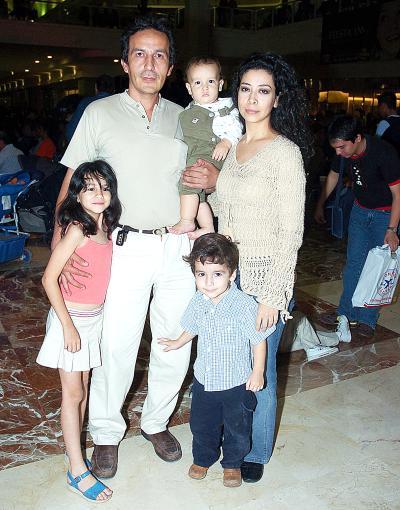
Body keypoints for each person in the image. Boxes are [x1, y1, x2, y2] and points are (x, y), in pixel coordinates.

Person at [53, 15, 195, 479]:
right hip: (123, 243)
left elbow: (206, 181)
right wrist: (63, 250)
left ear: (171, 67)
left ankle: (156, 421)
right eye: (139, 53)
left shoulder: (188, 118)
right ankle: (107, 433)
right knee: (117, 344)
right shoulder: (99, 113)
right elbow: (71, 187)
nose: (149, 63)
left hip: (177, 246)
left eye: (159, 55)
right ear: (124, 62)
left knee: (175, 341)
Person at [183, 52, 311, 483]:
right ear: (233, 93)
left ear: (277, 99)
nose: (252, 99)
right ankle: (230, 442)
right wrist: (207, 190)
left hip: (264, 282)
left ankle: (255, 450)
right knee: (230, 369)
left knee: (262, 372)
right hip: (229, 283)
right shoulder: (231, 149)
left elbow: (291, 232)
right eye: (245, 88)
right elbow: (223, 211)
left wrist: (274, 296)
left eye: (264, 90)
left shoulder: (285, 153)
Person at [159, 233, 275, 488]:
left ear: (232, 274)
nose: (208, 282)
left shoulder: (244, 305)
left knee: (237, 428)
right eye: (201, 274)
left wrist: (258, 372)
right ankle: (203, 458)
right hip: (204, 381)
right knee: (202, 425)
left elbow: (258, 340)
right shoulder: (198, 300)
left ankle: (233, 463)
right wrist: (179, 341)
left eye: (217, 274)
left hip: (236, 383)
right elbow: (192, 326)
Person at [37, 160, 122, 503]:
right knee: (72, 396)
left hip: (92, 320)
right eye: (89, 188)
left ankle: (76, 459)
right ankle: (76, 469)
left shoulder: (105, 229)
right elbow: (48, 278)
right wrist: (68, 327)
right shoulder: (77, 229)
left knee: (82, 392)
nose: (99, 194)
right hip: (69, 321)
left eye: (104, 187)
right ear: (77, 195)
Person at [314, 115, 400, 339]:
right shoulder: (343, 153)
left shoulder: (384, 153)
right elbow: (333, 176)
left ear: (358, 138)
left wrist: (391, 230)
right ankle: (345, 312)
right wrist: (321, 203)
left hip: (384, 215)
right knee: (354, 264)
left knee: (375, 269)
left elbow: (398, 195)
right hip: (360, 211)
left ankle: (367, 320)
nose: (338, 152)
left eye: (342, 147)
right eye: (335, 147)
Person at [169, 57, 241, 239]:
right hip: (195, 154)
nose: (205, 87)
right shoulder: (188, 109)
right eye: (198, 83)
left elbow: (236, 127)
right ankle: (207, 226)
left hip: (213, 151)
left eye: (211, 81)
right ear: (189, 88)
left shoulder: (224, 108)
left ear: (220, 83)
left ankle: (187, 220)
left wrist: (226, 142)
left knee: (188, 183)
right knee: (196, 192)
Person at [66, 75, 115, 142]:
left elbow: (70, 132)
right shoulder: (120, 104)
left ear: (96, 88)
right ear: (113, 89)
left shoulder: (86, 103)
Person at [376, 91, 400, 156]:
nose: (379, 110)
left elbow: (376, 146)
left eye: (379, 107)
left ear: (384, 106)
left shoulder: (384, 123)